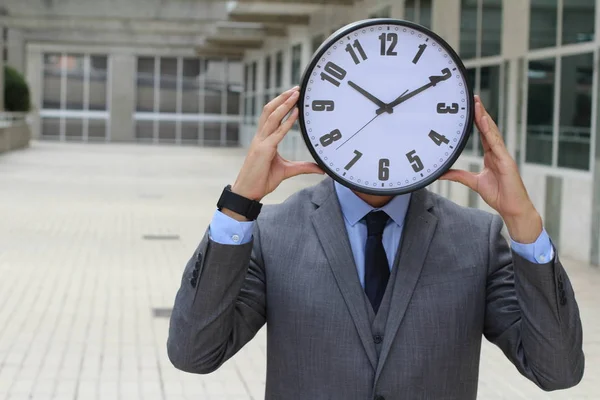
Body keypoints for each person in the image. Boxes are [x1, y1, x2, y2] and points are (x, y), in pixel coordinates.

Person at [167, 87, 584, 400]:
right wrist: (238, 205)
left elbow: (557, 370)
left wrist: (523, 222)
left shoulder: (475, 238)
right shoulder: (274, 233)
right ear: (321, 124)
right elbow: (194, 353)